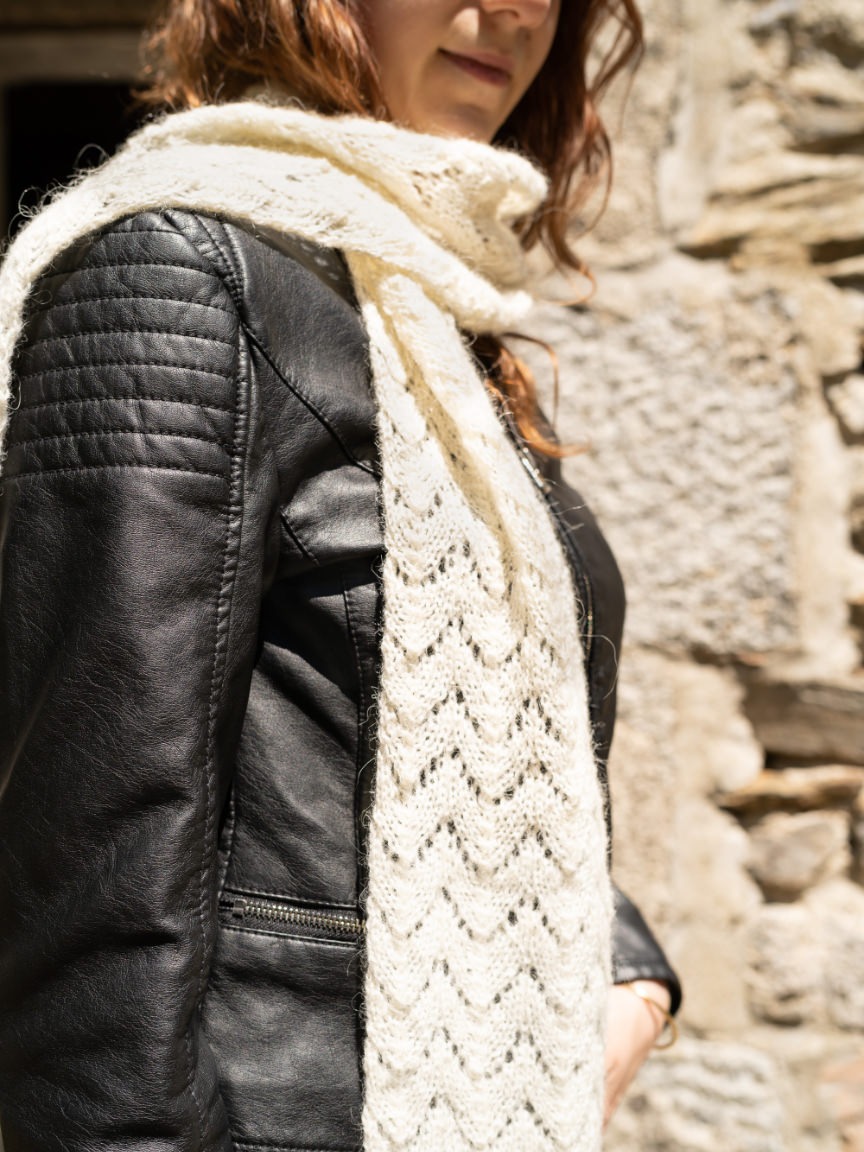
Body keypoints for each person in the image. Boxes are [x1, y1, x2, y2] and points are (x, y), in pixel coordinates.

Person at [0, 1, 682, 1149]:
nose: (513, 7)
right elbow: (88, 889)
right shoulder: (177, 274)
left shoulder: (429, 313)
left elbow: (513, 742)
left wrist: (628, 971)